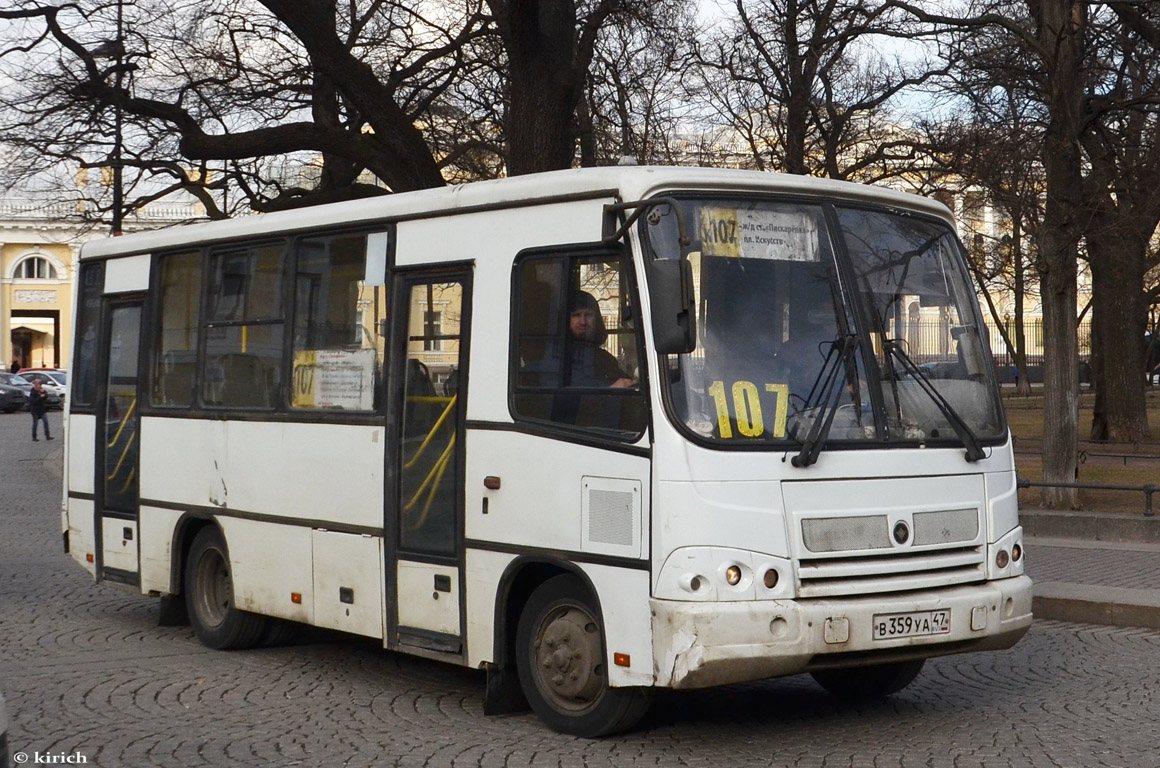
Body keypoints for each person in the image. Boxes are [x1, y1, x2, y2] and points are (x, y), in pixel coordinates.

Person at [566, 291, 633, 388]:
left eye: (588, 315)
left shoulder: (605, 359)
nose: (583, 322)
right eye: (576, 315)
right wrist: (609, 390)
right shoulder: (558, 356)